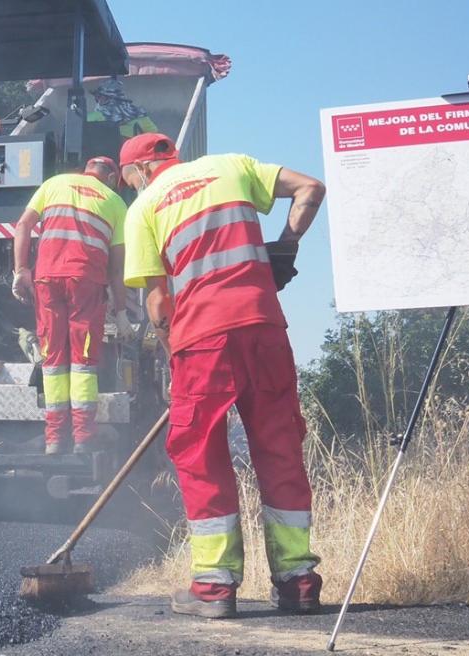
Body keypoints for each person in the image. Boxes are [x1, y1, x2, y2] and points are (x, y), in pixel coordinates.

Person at [119, 132, 326, 618]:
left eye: (129, 180)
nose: (131, 188)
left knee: (200, 452)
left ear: (140, 171)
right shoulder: (232, 166)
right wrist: (286, 247)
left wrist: (175, 362)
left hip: (203, 340)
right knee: (279, 447)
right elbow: (311, 188)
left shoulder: (145, 205)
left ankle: (213, 588)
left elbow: (157, 304)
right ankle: (297, 581)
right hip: (264, 327)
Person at [12, 157, 133, 455]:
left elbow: (23, 225)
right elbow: (117, 269)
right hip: (87, 284)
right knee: (83, 362)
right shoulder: (116, 202)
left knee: (53, 360)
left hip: (47, 279)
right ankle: (82, 438)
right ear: (111, 177)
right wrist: (121, 313)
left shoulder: (54, 184)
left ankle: (54, 439)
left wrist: (21, 270)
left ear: (86, 171)